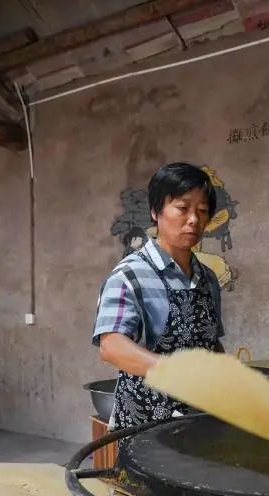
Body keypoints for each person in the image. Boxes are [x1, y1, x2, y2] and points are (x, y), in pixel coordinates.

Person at [92, 162, 226, 429]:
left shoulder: (208, 279)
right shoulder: (130, 275)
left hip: (199, 418)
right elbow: (112, 346)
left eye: (202, 211)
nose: (194, 219)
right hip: (145, 424)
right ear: (156, 211)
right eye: (182, 208)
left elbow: (212, 345)